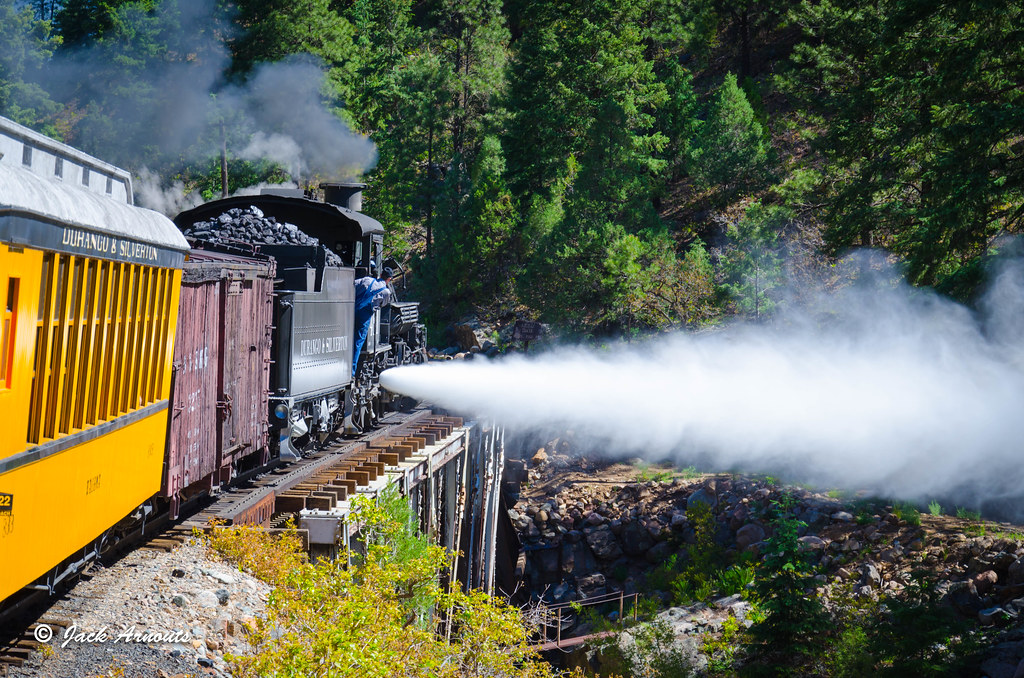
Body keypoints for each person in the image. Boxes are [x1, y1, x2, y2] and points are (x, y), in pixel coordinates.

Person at [352, 267, 393, 376]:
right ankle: (351, 371)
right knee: (357, 342)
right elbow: (382, 305)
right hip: (364, 316)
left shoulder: (367, 280)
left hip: (351, 310)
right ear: (389, 279)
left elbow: (352, 285)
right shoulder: (386, 292)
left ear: (380, 274)